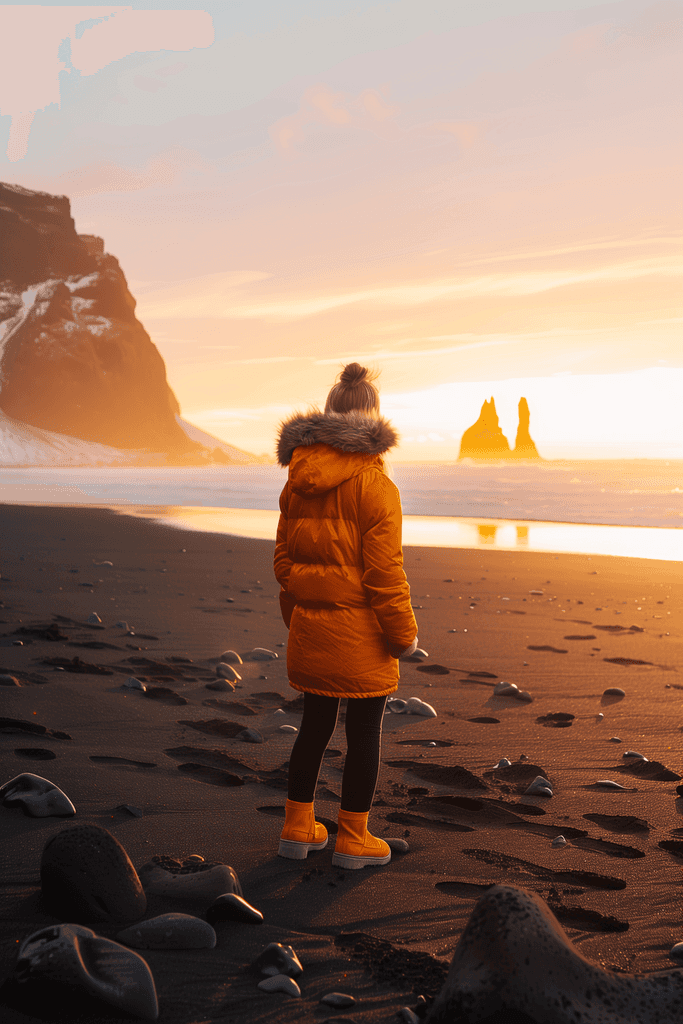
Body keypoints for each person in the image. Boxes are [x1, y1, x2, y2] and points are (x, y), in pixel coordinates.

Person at [274, 363, 418, 869]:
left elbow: (284, 563)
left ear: (329, 413)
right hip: (359, 636)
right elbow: (385, 575)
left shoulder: (298, 480)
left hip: (312, 629)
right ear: (373, 418)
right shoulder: (377, 488)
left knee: (314, 726)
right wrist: (402, 636)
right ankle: (353, 838)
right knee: (364, 731)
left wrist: (299, 618)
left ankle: (296, 829)